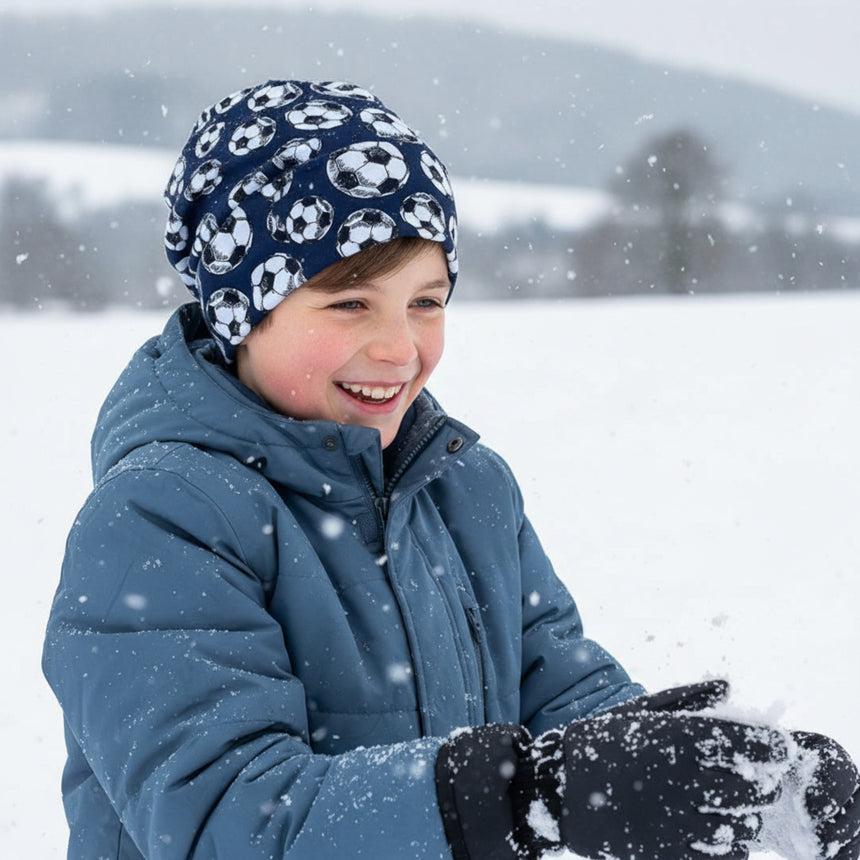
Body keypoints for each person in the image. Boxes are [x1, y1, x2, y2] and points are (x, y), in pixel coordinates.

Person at [42, 79, 859, 860]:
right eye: (350, 302)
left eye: (426, 302)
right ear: (241, 310)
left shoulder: (466, 489)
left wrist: (746, 777)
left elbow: (566, 700)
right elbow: (232, 823)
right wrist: (531, 797)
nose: (401, 348)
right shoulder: (161, 520)